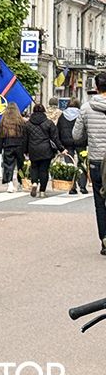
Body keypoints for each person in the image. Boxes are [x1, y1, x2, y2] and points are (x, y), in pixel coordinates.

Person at [74, 73, 106, 255]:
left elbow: (76, 135)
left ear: (96, 86)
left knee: (100, 202)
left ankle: (104, 239)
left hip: (96, 159)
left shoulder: (86, 108)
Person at [24, 104, 62, 199]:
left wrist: (25, 151)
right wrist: (61, 148)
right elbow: (55, 138)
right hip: (46, 149)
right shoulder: (48, 123)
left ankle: (34, 183)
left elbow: (25, 139)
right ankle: (42, 191)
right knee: (44, 170)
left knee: (34, 167)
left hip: (33, 149)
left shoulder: (28, 124)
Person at [58, 98, 89, 195]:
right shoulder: (81, 114)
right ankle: (83, 186)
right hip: (80, 141)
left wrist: (60, 145)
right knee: (82, 163)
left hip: (66, 143)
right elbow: (86, 128)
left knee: (69, 164)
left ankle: (72, 187)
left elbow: (58, 129)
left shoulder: (62, 116)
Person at [0, 104, 27, 193]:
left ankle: (10, 183)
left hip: (8, 145)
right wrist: (26, 149)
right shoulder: (21, 121)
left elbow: (0, 137)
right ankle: (20, 182)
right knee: (20, 166)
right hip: (19, 146)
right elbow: (25, 136)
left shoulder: (3, 122)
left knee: (8, 166)